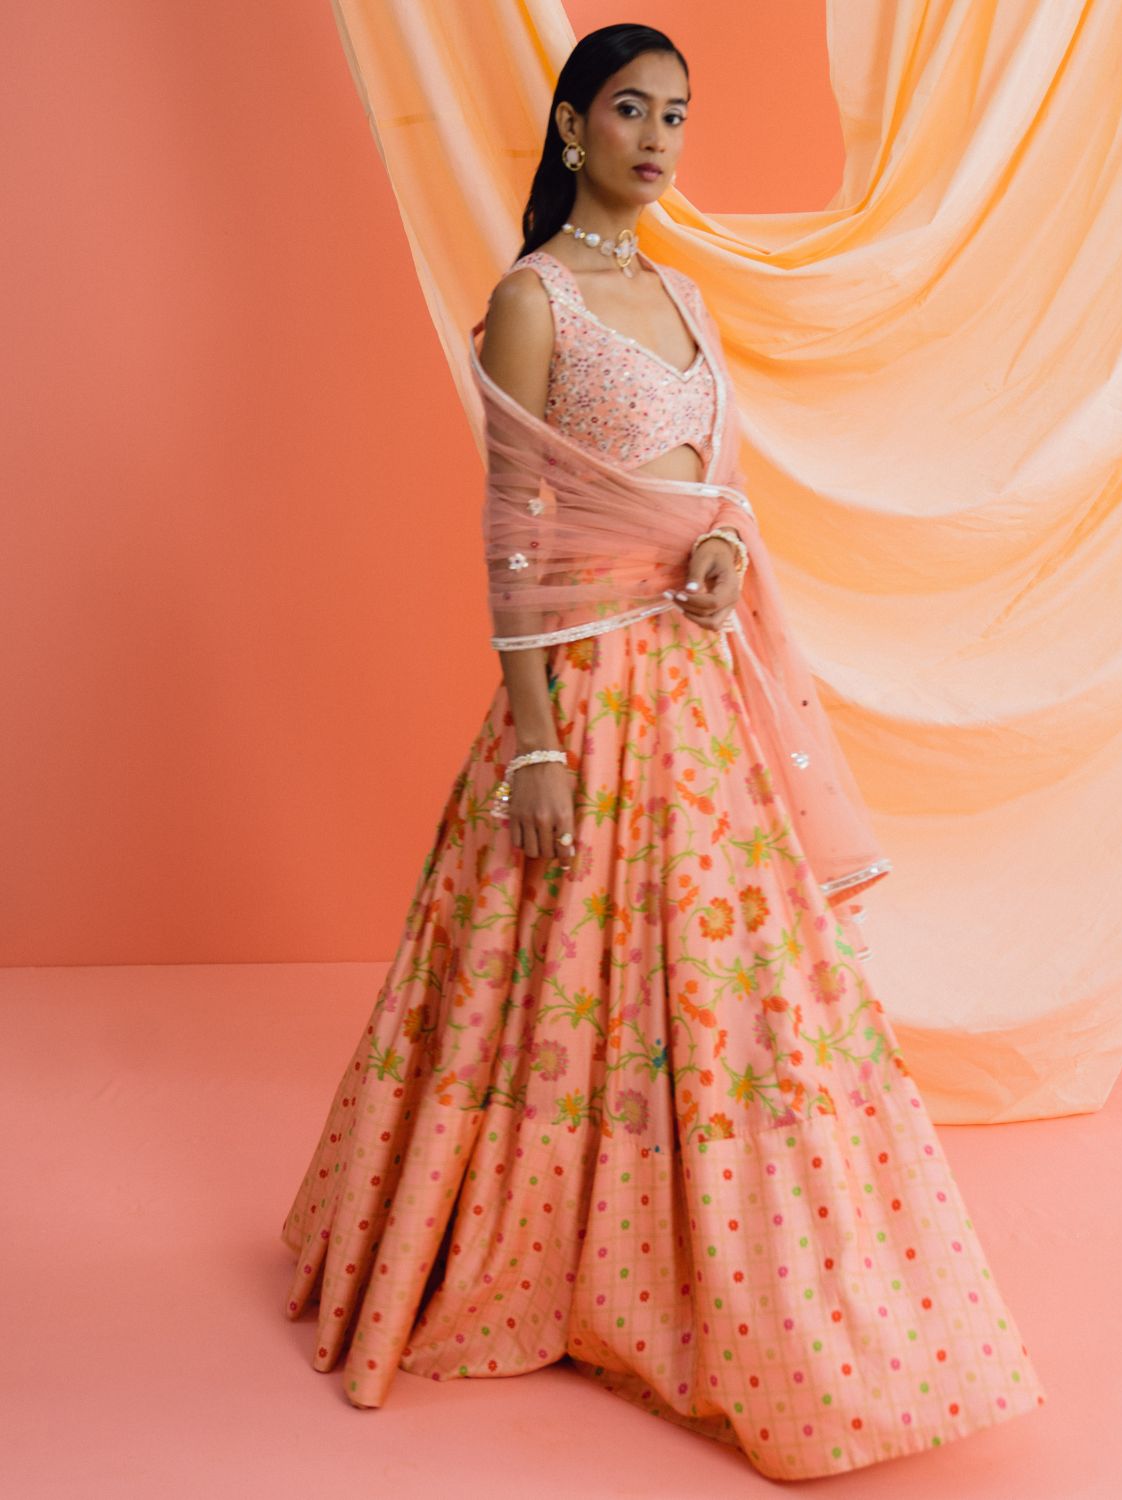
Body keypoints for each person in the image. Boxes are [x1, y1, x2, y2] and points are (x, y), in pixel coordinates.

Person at [280, 22, 1047, 1480]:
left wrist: (719, 556)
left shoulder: (686, 296)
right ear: (573, 130)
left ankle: (718, 1280)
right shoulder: (536, 299)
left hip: (700, 696)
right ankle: (533, 1257)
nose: (656, 138)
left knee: (734, 999)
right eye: (629, 110)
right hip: (584, 693)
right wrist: (534, 748)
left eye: (677, 115)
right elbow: (514, 532)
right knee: (560, 985)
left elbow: (716, 490)